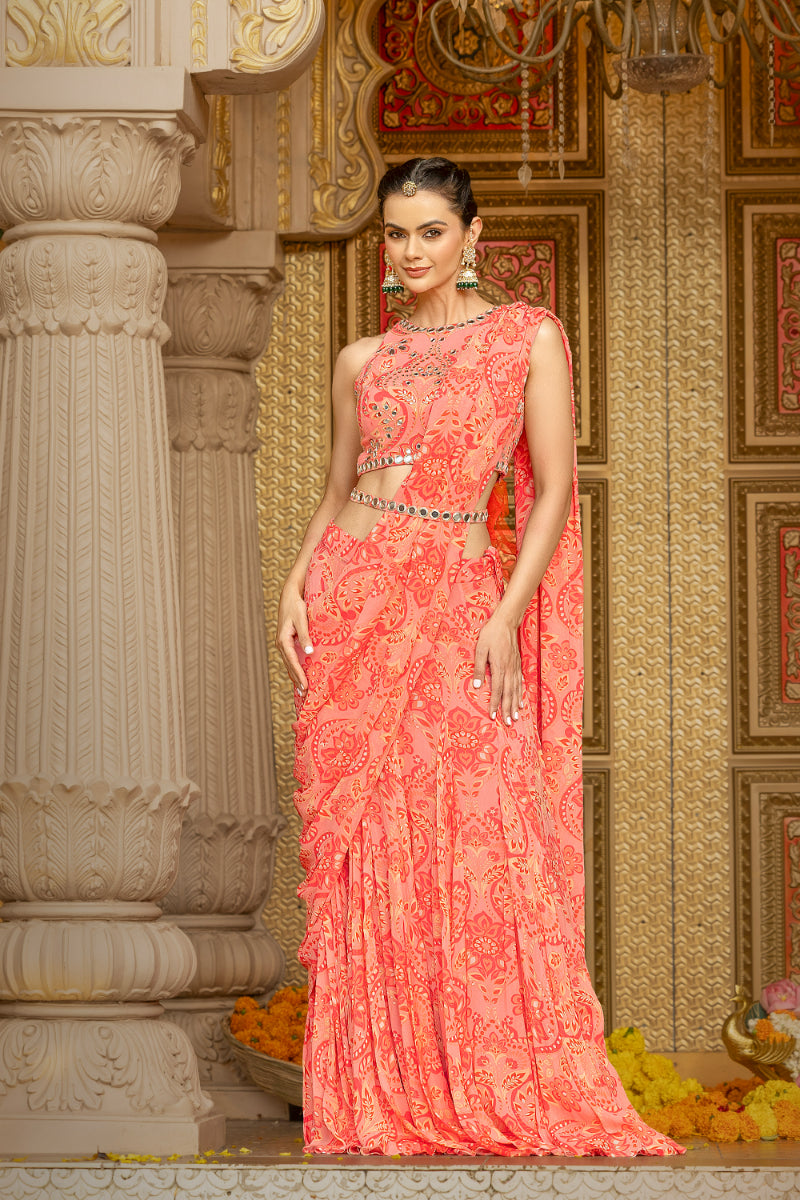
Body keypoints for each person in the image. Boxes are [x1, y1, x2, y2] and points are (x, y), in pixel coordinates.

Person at [276, 156, 682, 1157]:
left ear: (471, 236)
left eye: (430, 231)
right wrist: (294, 583)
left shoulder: (525, 336)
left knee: (475, 829)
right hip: (351, 601)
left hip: (458, 599)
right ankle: (379, 1090)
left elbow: (552, 487)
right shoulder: (360, 359)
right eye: (396, 233)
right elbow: (338, 489)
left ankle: (484, 1077)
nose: (410, 250)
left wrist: (505, 613)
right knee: (371, 841)